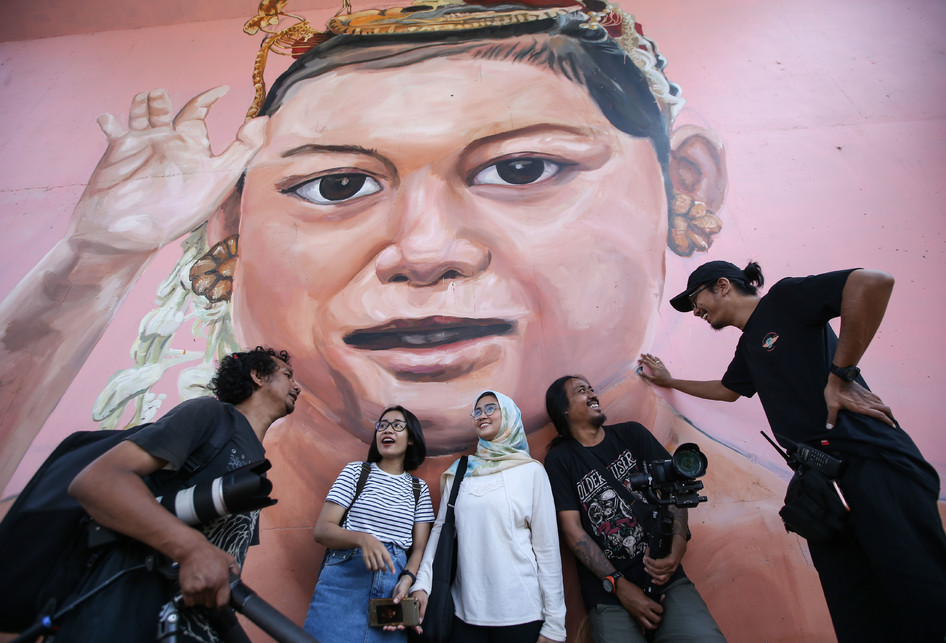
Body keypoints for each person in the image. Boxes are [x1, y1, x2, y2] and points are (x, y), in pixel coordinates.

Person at [0, 1, 836, 638]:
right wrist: (94, 260)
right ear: (231, 229)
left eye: (523, 167)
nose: (425, 250)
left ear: (685, 187)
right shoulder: (211, 448)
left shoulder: (784, 541)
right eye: (336, 186)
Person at [638, 260, 946, 642]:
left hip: (869, 461)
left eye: (695, 299)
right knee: (860, 610)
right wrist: (670, 381)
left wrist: (842, 375)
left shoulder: (783, 299)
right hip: (821, 492)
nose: (695, 310)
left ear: (722, 286)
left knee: (920, 592)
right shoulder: (750, 344)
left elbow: (873, 282)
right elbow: (728, 390)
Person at [57, 346, 299, 642]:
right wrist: (190, 549)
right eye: (287, 375)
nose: (296, 385)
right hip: (125, 618)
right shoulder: (210, 415)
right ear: (258, 376)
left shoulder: (257, 467)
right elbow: (97, 481)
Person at [543, 375, 724, 643]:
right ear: (564, 410)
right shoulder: (560, 460)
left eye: (592, 388)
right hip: (609, 595)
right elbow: (572, 530)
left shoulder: (632, 434)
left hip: (666, 577)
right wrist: (619, 585)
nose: (593, 393)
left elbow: (673, 490)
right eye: (582, 391)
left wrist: (677, 546)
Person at [411, 391, 566, 642]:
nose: (482, 415)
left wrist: (555, 624)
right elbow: (441, 533)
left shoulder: (531, 472)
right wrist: (422, 585)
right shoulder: (460, 473)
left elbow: (547, 549)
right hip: (464, 614)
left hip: (521, 613)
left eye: (491, 408)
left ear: (509, 416)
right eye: (477, 410)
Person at [303, 405, 434, 642]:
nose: (387, 430)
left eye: (397, 425)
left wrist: (407, 579)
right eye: (382, 425)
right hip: (343, 583)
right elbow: (323, 529)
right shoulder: (356, 472)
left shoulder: (418, 489)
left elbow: (420, 548)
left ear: (412, 438)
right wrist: (362, 539)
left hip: (393, 589)